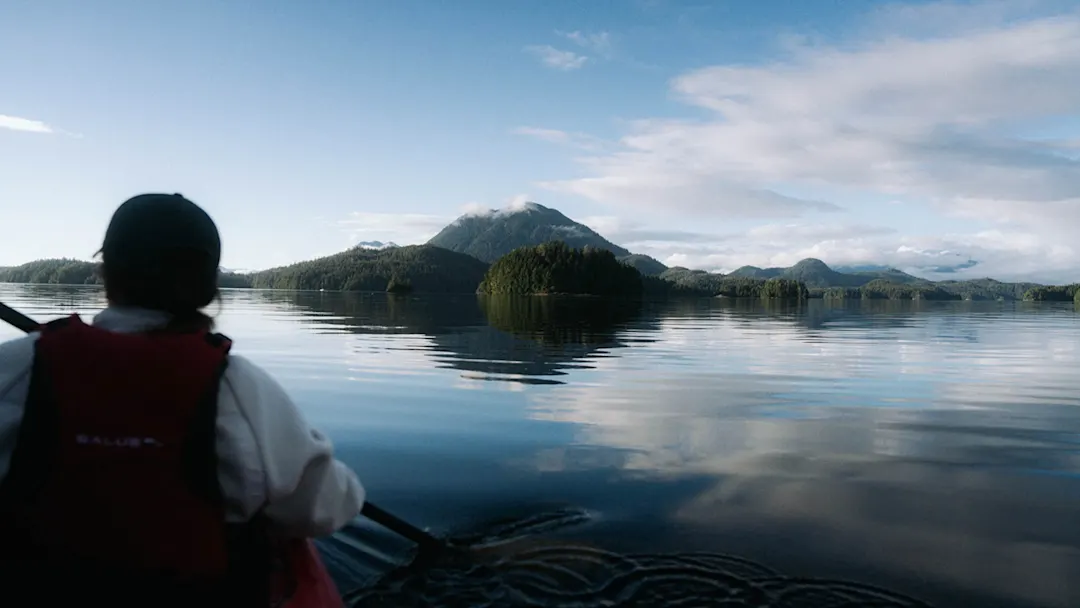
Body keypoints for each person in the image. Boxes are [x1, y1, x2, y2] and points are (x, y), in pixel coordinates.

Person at [0, 193, 366, 606]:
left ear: (105, 271)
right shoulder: (240, 387)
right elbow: (324, 508)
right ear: (209, 287)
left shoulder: (15, 368)